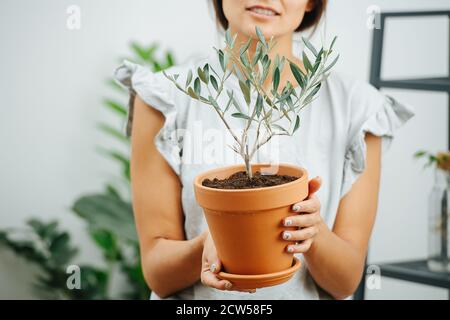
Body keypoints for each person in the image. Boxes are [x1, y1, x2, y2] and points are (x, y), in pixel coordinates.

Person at [114, 0, 414, 299]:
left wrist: (312, 231)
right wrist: (210, 245)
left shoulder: (358, 109)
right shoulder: (164, 96)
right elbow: (158, 275)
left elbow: (345, 282)